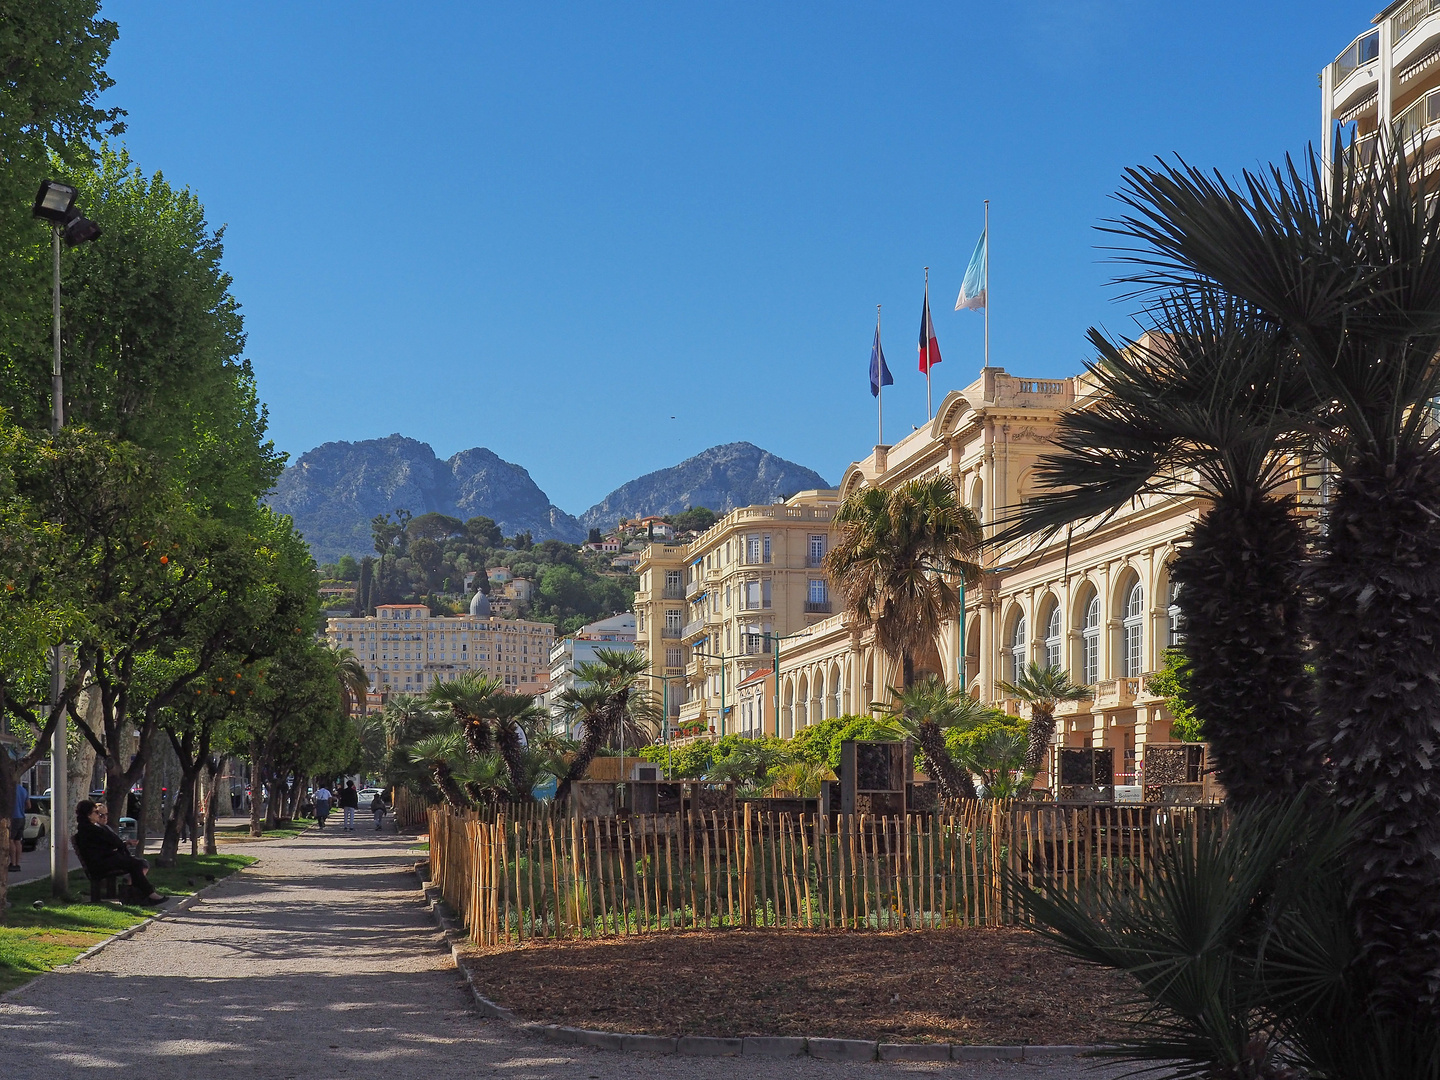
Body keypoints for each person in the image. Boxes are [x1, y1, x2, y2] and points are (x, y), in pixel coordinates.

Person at [73, 799, 164, 904]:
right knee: (135, 864)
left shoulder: (86, 829)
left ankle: (141, 895)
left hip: (101, 862)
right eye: (96, 812)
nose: (99, 815)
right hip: (100, 866)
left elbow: (111, 844)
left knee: (135, 863)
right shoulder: (92, 830)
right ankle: (145, 895)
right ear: (89, 815)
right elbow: (116, 842)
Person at [9, 778, 27, 872]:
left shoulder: (9, 790)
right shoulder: (23, 790)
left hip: (13, 817)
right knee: (18, 840)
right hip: (21, 817)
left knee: (10, 840)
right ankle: (17, 863)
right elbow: (29, 805)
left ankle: (13, 863)